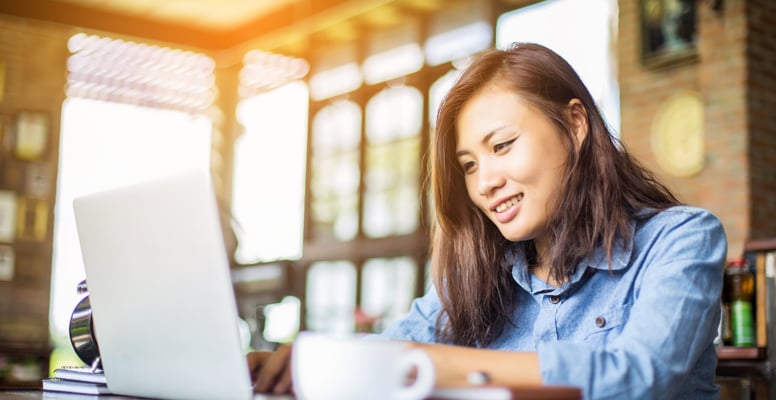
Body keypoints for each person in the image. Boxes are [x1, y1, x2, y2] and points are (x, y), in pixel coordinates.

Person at [249, 42, 727, 399]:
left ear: (575, 126)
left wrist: (432, 365)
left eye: (501, 146)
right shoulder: (477, 278)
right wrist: (302, 365)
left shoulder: (681, 238)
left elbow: (642, 374)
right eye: (470, 165)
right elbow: (393, 347)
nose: (484, 183)